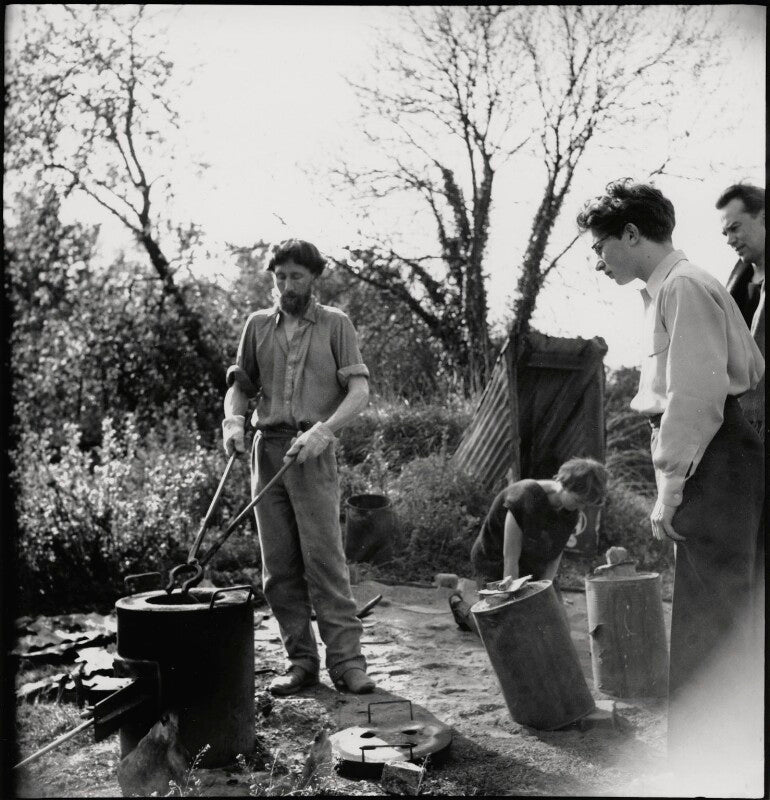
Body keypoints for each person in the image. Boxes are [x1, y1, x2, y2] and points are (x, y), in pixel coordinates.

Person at [575, 180, 764, 780]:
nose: (597, 258)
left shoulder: (682, 285)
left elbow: (696, 399)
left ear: (632, 234)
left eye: (601, 244)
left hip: (713, 457)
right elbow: (750, 367)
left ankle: (713, 763)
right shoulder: (682, 285)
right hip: (721, 450)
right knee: (717, 610)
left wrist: (668, 489)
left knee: (711, 616)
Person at [222, 238, 375, 696]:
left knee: (325, 563)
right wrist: (232, 420)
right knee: (279, 569)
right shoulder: (256, 326)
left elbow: (360, 393)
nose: (287, 285)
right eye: (280, 276)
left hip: (312, 452)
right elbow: (240, 388)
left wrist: (323, 431)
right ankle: (301, 662)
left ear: (314, 279)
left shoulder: (335, 325)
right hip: (266, 453)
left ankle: (348, 665)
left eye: (297, 277)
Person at [448, 457, 608, 633]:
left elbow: (554, 556)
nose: (582, 507)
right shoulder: (524, 496)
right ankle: (461, 608)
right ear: (563, 483)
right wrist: (514, 604)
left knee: (557, 630)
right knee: (504, 631)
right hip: (495, 562)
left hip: (532, 565)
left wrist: (543, 591)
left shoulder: (571, 514)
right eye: (579, 500)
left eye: (586, 504)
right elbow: (510, 559)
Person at [717, 183, 765, 437]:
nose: (729, 240)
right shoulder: (736, 281)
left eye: (734, 228)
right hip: (739, 421)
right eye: (725, 233)